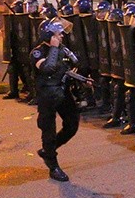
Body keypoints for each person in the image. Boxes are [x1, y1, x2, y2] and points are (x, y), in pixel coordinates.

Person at [32, 18, 91, 182]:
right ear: (49, 35)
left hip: (63, 93)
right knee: (48, 131)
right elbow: (48, 68)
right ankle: (53, 166)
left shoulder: (62, 50)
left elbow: (68, 68)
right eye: (58, 34)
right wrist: (54, 48)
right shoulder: (38, 52)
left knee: (72, 124)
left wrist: (81, 79)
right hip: (47, 96)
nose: (62, 36)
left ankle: (48, 150)